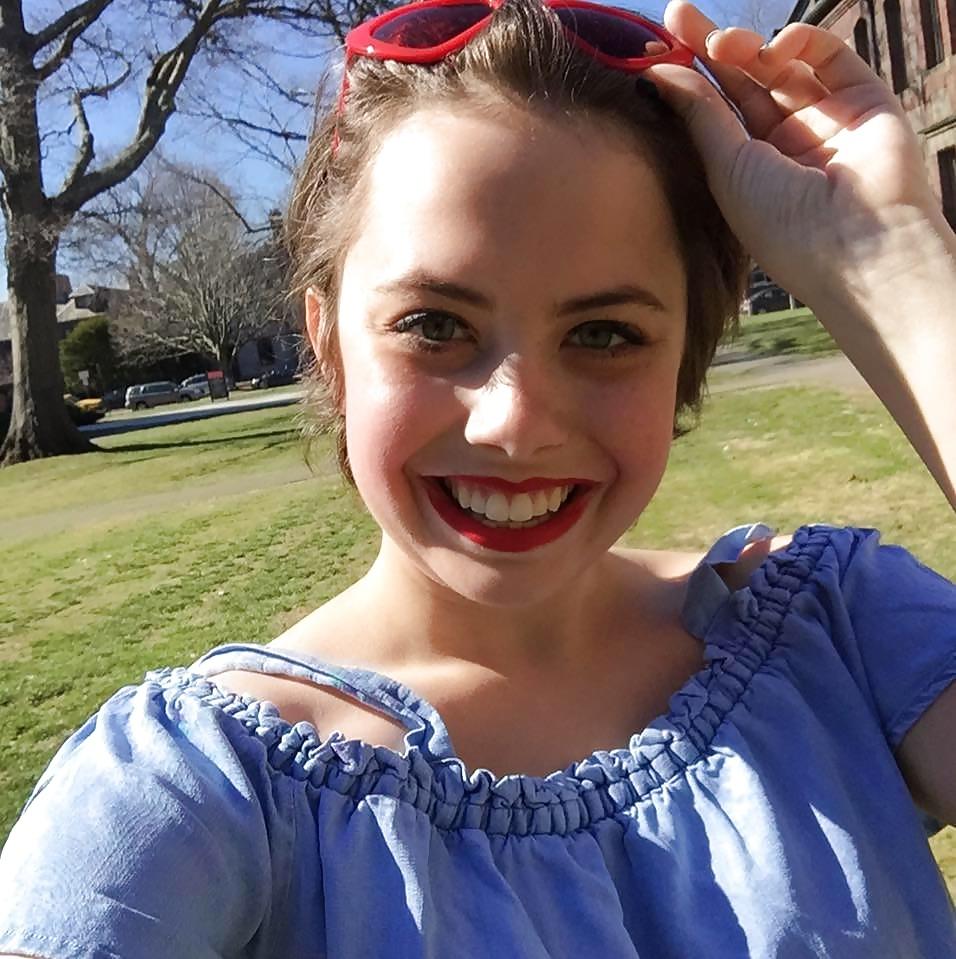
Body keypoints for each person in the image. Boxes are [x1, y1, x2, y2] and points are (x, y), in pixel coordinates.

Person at [1, 0, 954, 954]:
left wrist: (895, 265)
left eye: (604, 334)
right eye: (434, 325)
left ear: (685, 353)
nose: (514, 423)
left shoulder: (840, 632)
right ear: (328, 344)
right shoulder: (192, 792)